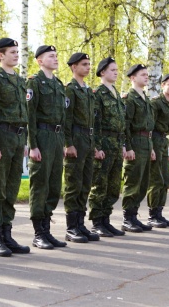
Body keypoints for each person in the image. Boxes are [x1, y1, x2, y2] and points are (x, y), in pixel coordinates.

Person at [0, 37, 31, 257]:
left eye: (17, 52)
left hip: (17, 139)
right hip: (1, 137)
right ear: (0, 55)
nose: (16, 55)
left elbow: (25, 115)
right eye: (12, 52)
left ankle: (7, 234)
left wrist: (26, 141)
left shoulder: (21, 82)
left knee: (11, 189)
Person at [26, 45, 67, 250]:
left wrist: (65, 143)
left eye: (56, 55)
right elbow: (30, 116)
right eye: (51, 56)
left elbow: (64, 117)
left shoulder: (59, 85)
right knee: (40, 185)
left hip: (57, 137)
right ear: (40, 61)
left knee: (53, 185)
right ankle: (38, 233)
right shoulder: (34, 83)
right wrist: (33, 145)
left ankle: (47, 228)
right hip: (41, 136)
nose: (56, 58)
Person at [63, 53, 99, 243]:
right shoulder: (71, 89)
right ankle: (71, 227)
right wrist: (68, 143)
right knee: (73, 184)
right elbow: (66, 119)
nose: (88, 67)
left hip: (88, 139)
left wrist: (93, 144)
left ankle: (80, 223)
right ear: (74, 67)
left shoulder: (87, 90)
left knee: (85, 184)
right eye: (84, 64)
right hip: (76, 139)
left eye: (89, 64)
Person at [89, 57, 127, 237]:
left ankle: (106, 219)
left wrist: (123, 145)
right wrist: (96, 147)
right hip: (104, 142)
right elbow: (94, 122)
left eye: (117, 70)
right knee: (100, 184)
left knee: (113, 186)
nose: (116, 72)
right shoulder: (98, 93)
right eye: (112, 70)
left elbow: (122, 123)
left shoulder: (116, 94)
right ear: (102, 72)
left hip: (116, 144)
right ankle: (97, 222)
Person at [121, 64, 155, 233]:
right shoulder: (130, 98)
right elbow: (125, 124)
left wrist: (152, 148)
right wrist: (127, 146)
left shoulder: (145, 98)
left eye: (147, 74)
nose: (146, 77)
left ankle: (134, 215)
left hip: (146, 142)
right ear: (133, 78)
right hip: (135, 141)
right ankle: (127, 218)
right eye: (143, 74)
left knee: (143, 182)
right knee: (133, 180)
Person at [147, 73, 169, 228]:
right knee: (156, 180)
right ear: (163, 85)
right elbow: (149, 127)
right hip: (154, 140)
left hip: (164, 142)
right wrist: (151, 147)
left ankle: (159, 213)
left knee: (166, 179)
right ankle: (152, 215)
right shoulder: (156, 103)